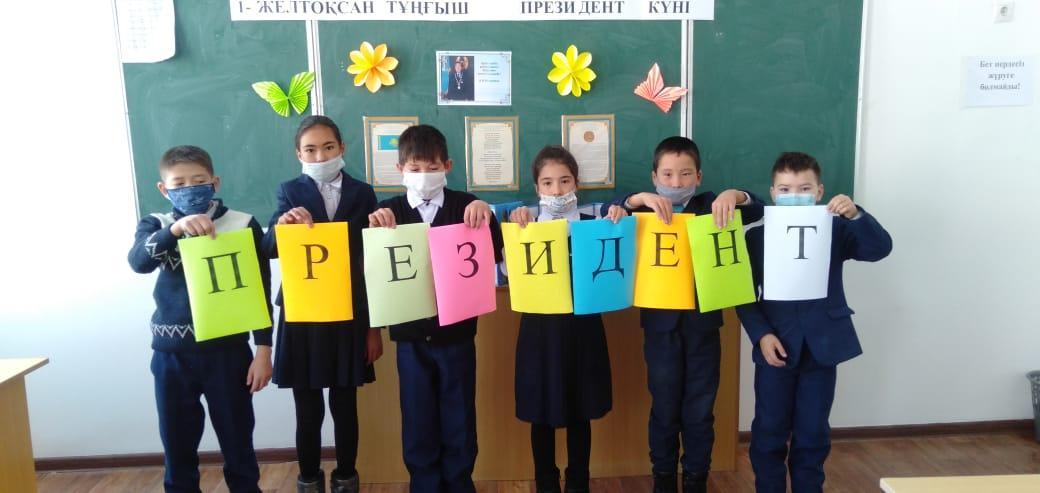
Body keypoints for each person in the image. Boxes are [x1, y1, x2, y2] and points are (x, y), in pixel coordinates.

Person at [737, 151, 892, 493]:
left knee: (813, 433)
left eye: (804, 188)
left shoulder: (837, 228)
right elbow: (744, 294)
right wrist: (761, 335)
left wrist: (856, 215)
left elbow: (879, 249)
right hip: (775, 346)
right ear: (773, 193)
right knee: (769, 431)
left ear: (819, 191)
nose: (795, 195)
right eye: (785, 189)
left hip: (822, 346)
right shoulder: (756, 237)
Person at [128, 145, 272, 493]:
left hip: (228, 354)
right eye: (179, 183)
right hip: (172, 355)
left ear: (214, 182)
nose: (189, 188)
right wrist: (175, 230)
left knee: (238, 441)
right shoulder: (157, 224)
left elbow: (260, 289)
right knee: (177, 444)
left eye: (198, 181)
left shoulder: (242, 223)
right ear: (164, 189)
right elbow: (138, 262)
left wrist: (263, 350)